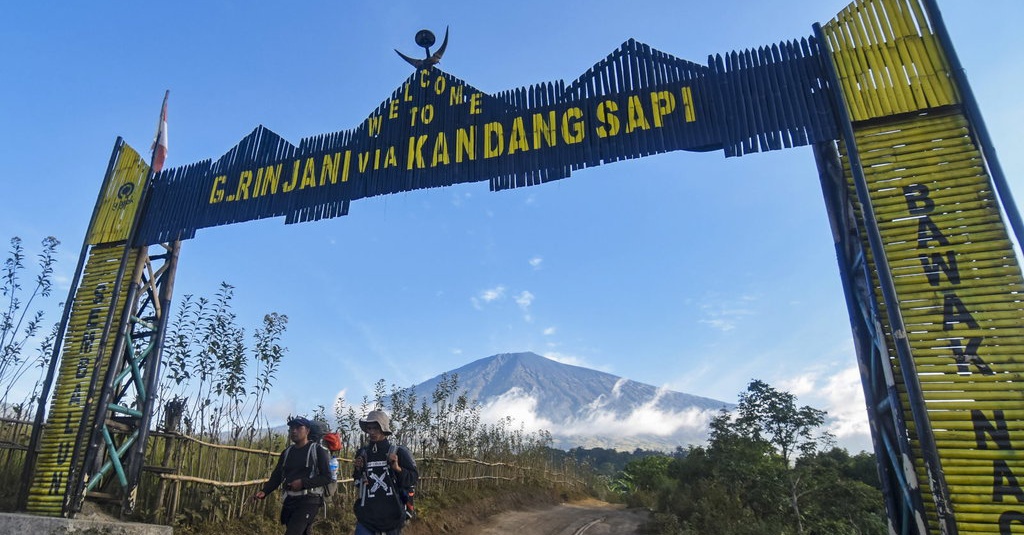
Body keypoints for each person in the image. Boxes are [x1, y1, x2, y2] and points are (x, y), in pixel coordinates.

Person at [253, 416, 332, 535]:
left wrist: (303, 483)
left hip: (309, 500)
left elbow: (326, 477)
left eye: (299, 427)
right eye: (291, 428)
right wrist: (265, 491)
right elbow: (278, 475)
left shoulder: (317, 451)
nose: (294, 431)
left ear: (307, 431)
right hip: (290, 500)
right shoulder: (287, 452)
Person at [352, 410, 419, 535]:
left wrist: (397, 469)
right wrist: (358, 470)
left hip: (392, 517)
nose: (372, 432)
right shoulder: (362, 453)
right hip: (367, 517)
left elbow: (413, 478)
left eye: (376, 428)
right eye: (369, 428)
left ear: (383, 429)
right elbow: (358, 482)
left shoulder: (397, 452)